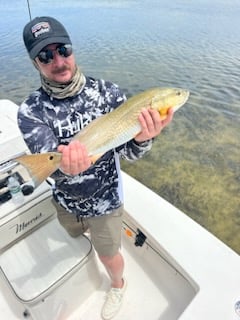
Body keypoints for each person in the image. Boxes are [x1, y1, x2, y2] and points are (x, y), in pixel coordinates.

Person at [18, 16, 173, 320]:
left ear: (72, 48)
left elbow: (129, 152)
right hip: (65, 202)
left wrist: (143, 138)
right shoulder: (30, 111)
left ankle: (117, 284)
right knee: (72, 236)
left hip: (105, 202)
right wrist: (66, 167)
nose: (58, 61)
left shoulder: (108, 94)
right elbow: (48, 162)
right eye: (46, 56)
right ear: (36, 63)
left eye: (62, 49)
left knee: (109, 254)